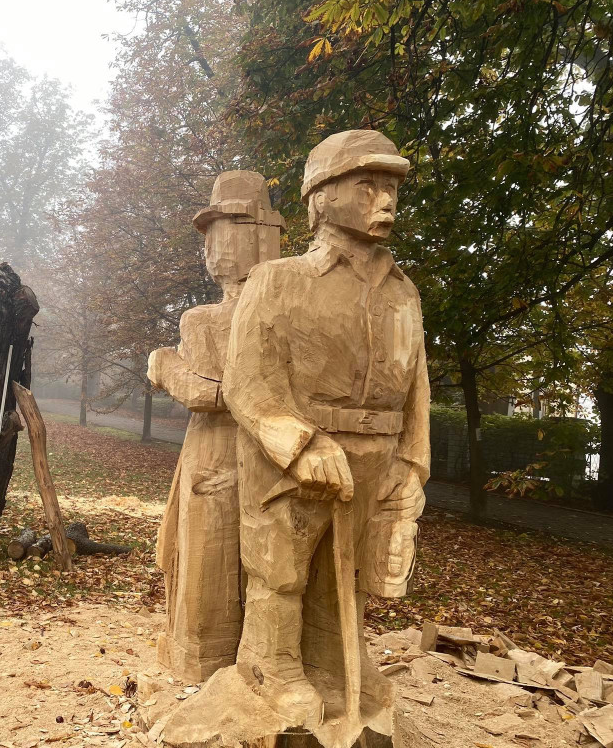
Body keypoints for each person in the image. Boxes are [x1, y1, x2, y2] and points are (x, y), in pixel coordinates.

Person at [222, 130, 430, 728]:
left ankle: (334, 659)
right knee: (280, 570)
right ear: (321, 199)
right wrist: (299, 441)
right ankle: (272, 663)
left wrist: (412, 464)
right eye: (367, 185)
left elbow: (419, 384)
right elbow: (248, 380)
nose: (385, 199)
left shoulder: (403, 292)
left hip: (378, 453)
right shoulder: (278, 281)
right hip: (295, 459)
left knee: (351, 575)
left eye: (390, 186)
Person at [149, 170, 284, 682]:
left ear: (262, 233)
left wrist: (168, 367)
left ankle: (212, 662)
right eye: (209, 232)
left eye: (227, 227)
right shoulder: (205, 316)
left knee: (217, 559)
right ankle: (199, 656)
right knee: (197, 552)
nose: (214, 245)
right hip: (207, 449)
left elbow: (219, 392)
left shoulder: (224, 319)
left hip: (241, 448)